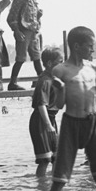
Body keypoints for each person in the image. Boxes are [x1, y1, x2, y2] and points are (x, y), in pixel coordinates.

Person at [47, 26, 96, 191]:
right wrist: (60, 89)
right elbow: (59, 105)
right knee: (60, 178)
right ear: (76, 46)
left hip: (94, 121)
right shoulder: (60, 70)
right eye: (90, 46)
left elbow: (95, 99)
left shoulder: (94, 68)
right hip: (72, 123)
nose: (93, 50)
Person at [7, 0, 45, 91]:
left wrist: (38, 16)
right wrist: (16, 31)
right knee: (21, 58)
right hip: (23, 32)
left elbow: (31, 17)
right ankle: (12, 82)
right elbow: (11, 18)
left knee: (37, 57)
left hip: (33, 32)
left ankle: (43, 80)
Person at [29, 45, 64, 177]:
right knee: (44, 160)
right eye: (60, 62)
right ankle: (41, 184)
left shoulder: (54, 79)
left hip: (51, 119)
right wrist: (48, 125)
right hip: (41, 121)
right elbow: (41, 105)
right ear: (49, 64)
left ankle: (53, 183)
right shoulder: (45, 80)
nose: (62, 65)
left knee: (56, 157)